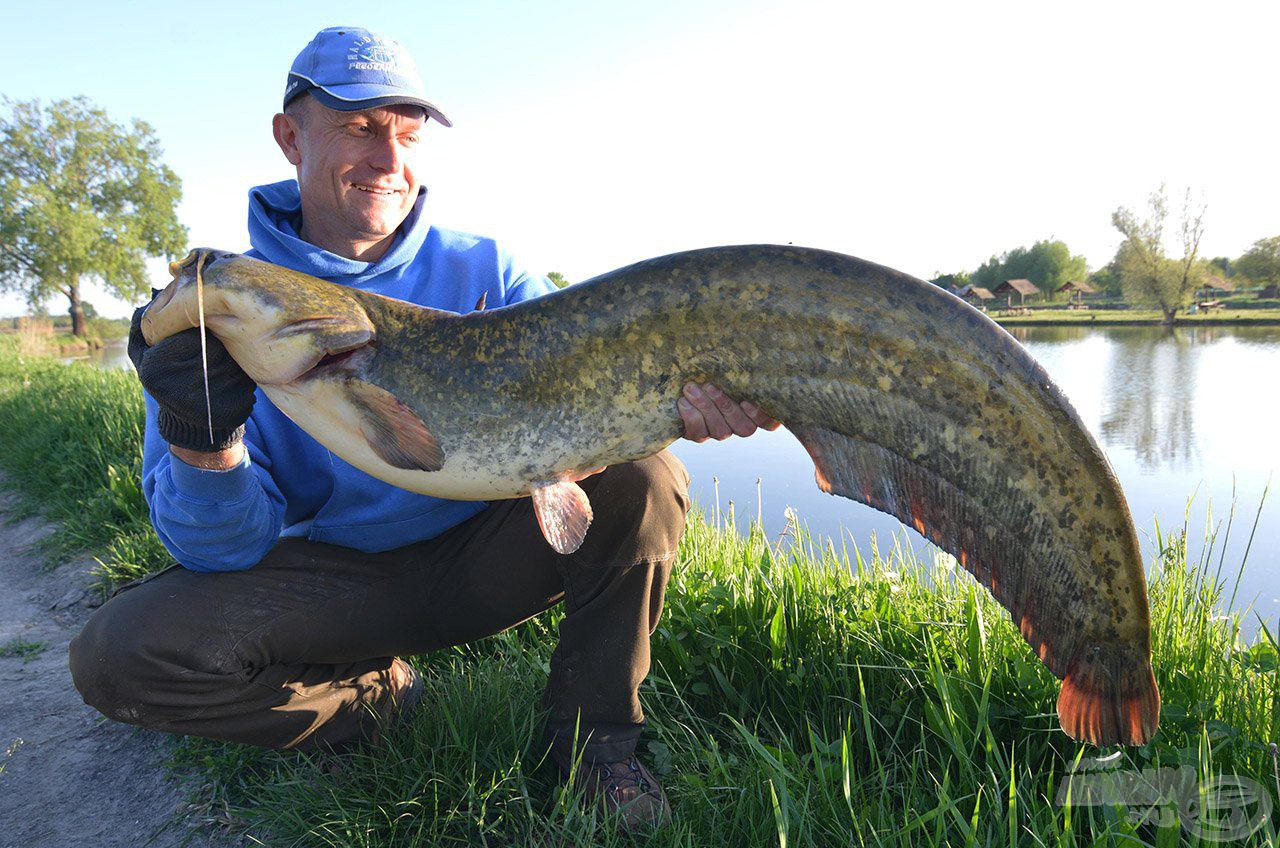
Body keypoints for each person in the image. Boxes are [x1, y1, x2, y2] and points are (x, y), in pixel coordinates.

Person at [68, 26, 777, 833]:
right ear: (289, 136)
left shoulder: (489, 271)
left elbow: (590, 423)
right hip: (332, 582)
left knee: (646, 478)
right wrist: (203, 434)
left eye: (406, 136)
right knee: (120, 656)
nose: (388, 160)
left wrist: (683, 404)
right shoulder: (225, 315)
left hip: (481, 558)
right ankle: (378, 699)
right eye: (360, 129)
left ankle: (597, 745)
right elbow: (216, 553)